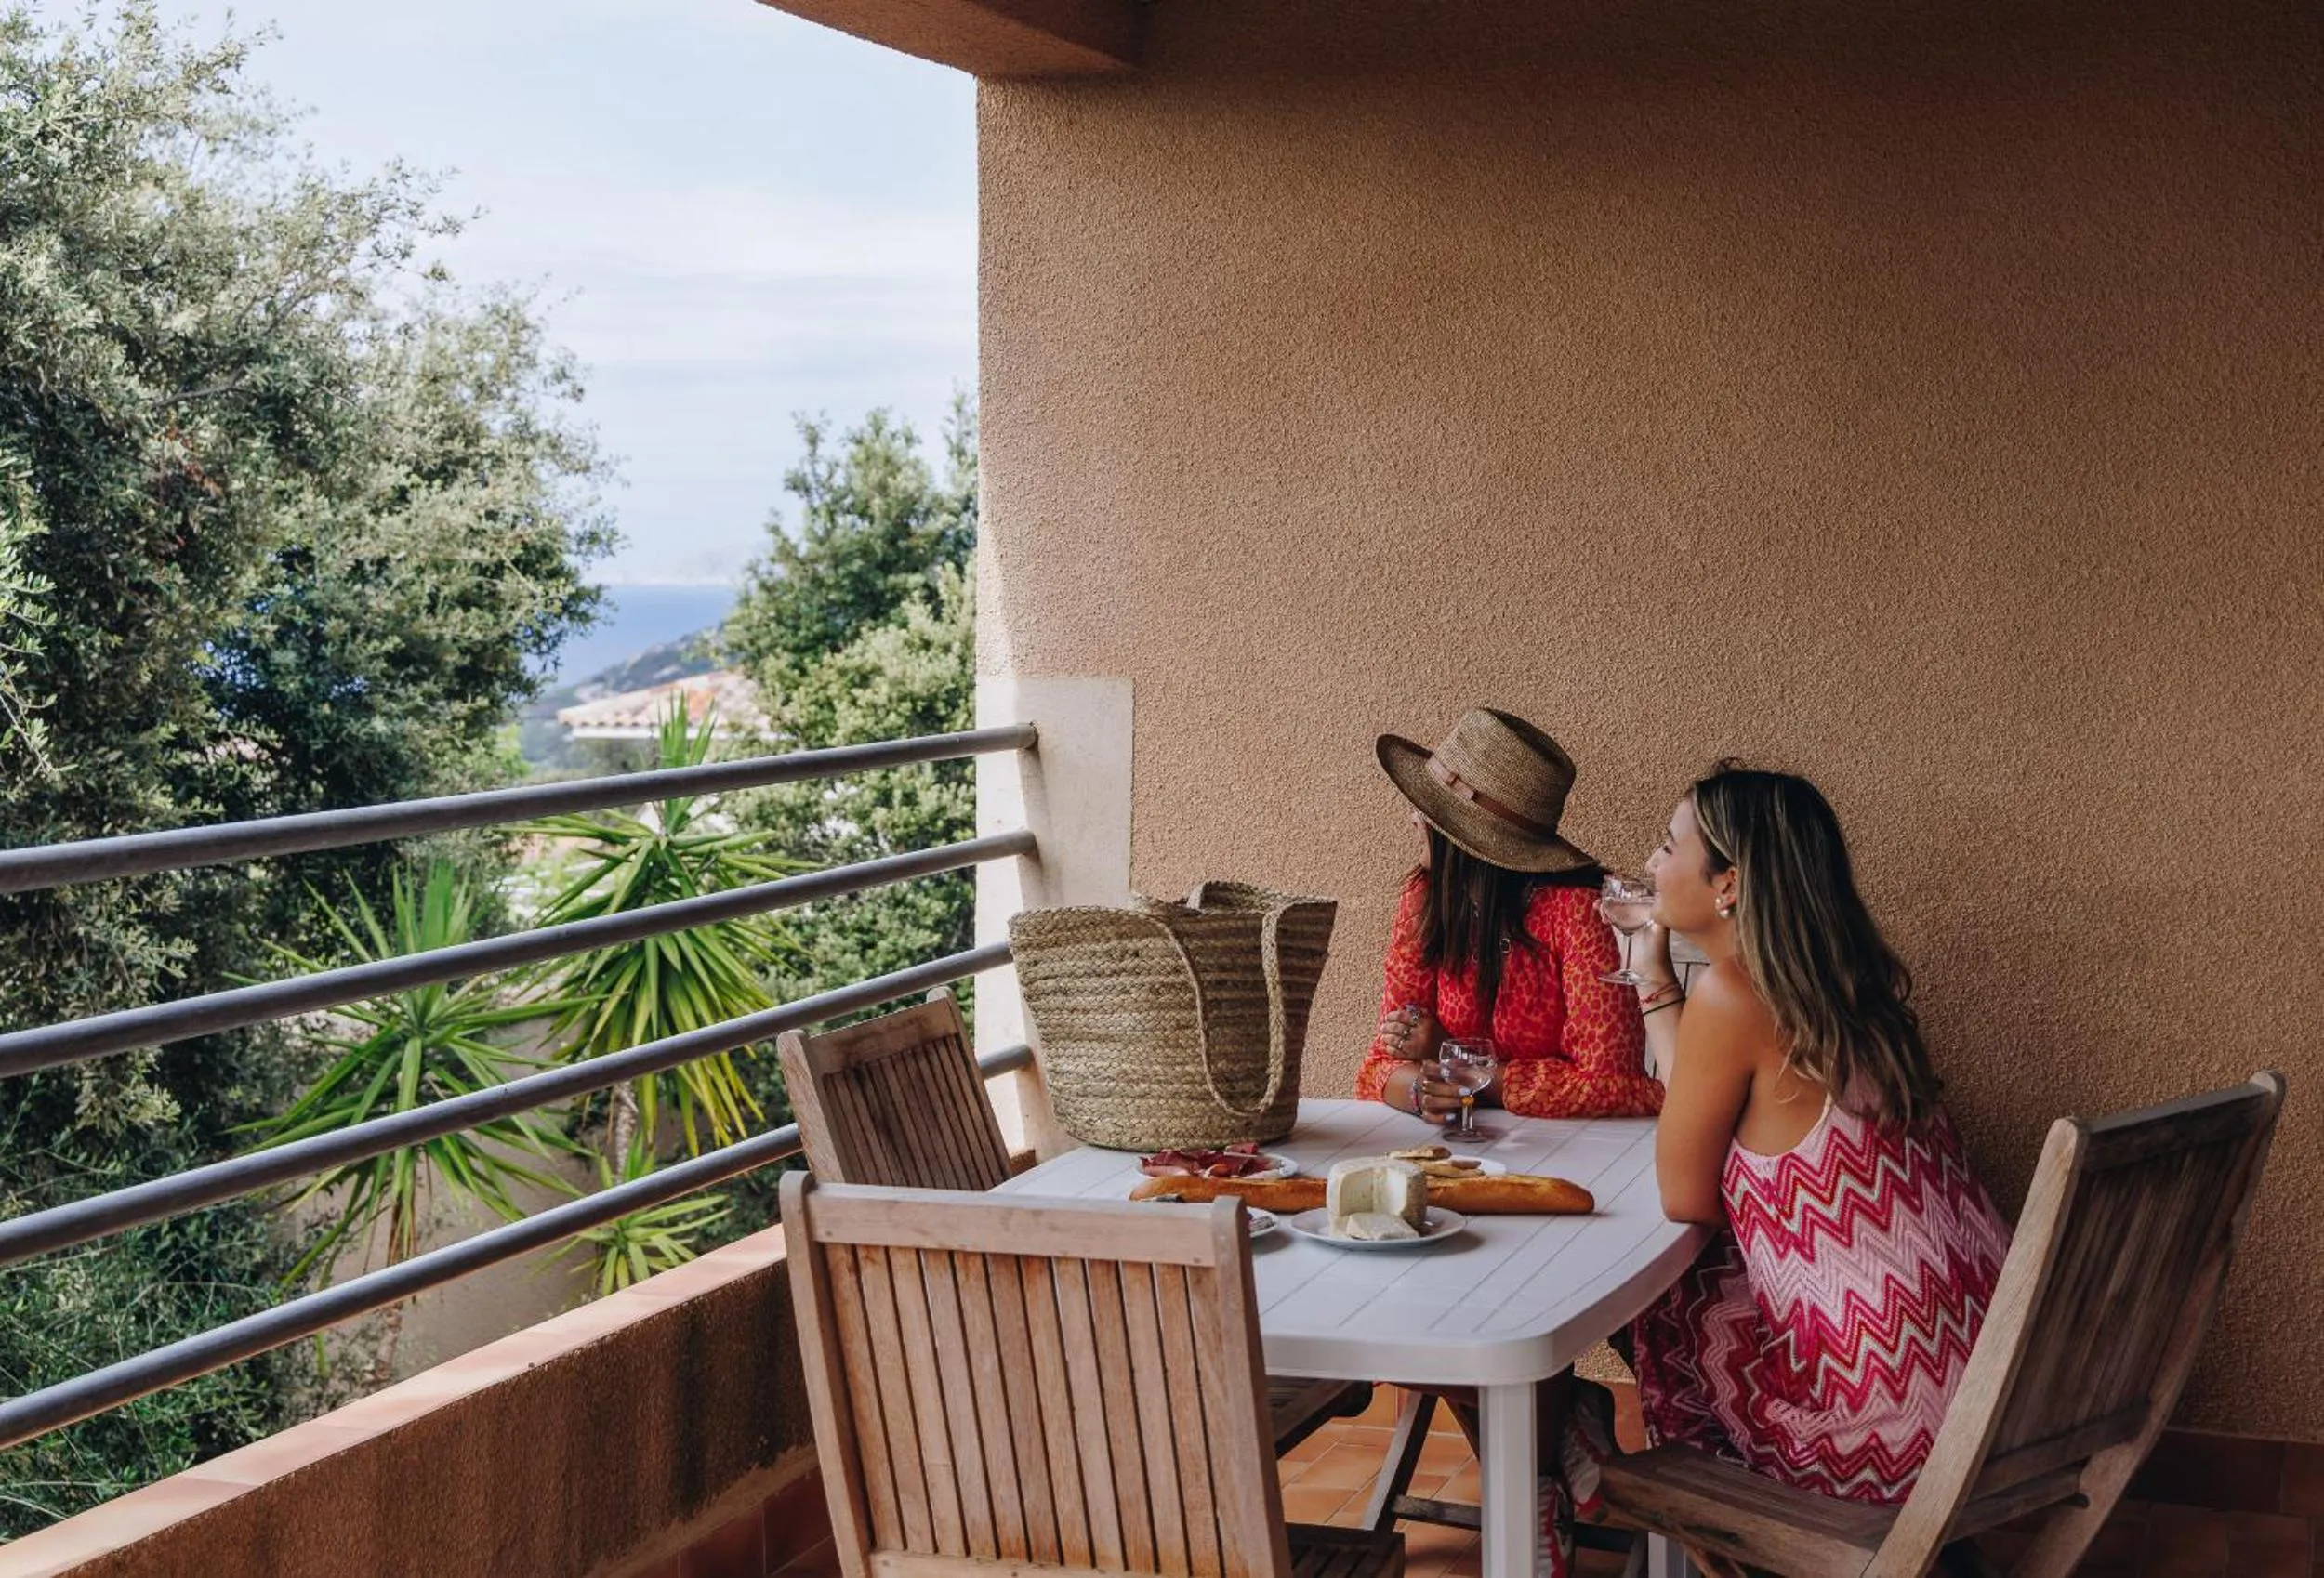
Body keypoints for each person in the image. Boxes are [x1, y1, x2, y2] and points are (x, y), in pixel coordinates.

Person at [1571, 762, 2011, 1514]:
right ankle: (1583, 1454)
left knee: (1672, 1296)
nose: (1650, 864)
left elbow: (1684, 1195)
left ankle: (1596, 1471)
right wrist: (1652, 968)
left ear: (1728, 884)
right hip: (1999, 1397)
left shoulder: (1734, 996)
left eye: (1667, 845)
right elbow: (1713, 1093)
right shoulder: (1844, 988)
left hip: (1883, 1435)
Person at [1355, 706, 1663, 1123]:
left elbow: (1615, 1084)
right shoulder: (1425, 898)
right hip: (1461, 1142)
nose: (1414, 819)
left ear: (1464, 839)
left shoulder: (1575, 911)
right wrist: (1420, 1092)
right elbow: (1379, 1066)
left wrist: (1458, 1064)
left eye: (1428, 811)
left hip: (1567, 1150)